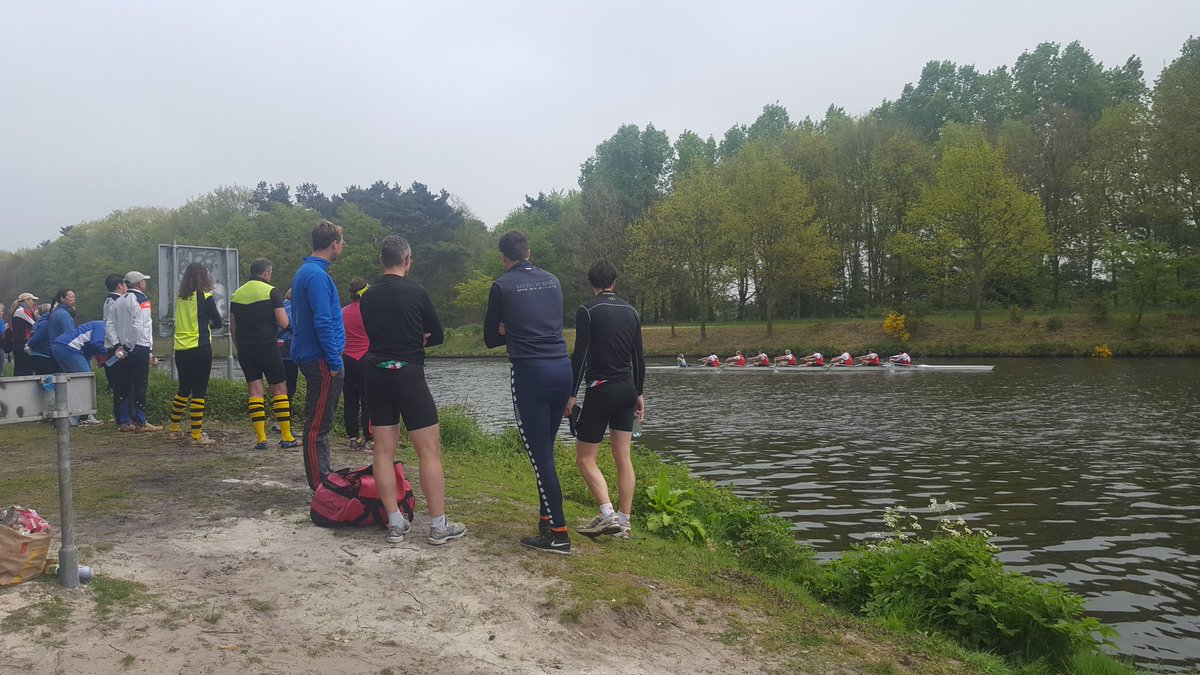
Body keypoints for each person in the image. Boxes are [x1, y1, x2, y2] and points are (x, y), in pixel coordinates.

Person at [360, 235, 466, 546]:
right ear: (408, 260)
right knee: (428, 450)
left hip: (376, 372)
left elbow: (375, 332)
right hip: (408, 373)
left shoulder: (367, 296)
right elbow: (438, 334)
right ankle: (438, 525)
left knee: (383, 450)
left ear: (381, 260)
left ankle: (395, 523)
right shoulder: (416, 292)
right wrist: (419, 338)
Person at [483, 229, 573, 555]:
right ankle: (546, 519)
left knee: (541, 455)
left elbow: (490, 339)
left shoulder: (502, 285)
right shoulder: (553, 281)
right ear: (529, 252)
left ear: (503, 258)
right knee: (545, 448)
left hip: (530, 372)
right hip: (562, 368)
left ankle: (559, 534)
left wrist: (509, 331)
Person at [565, 259, 645, 541]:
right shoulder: (631, 311)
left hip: (600, 389)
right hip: (627, 389)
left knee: (585, 458)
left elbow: (581, 355)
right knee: (623, 456)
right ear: (614, 281)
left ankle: (607, 512)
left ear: (592, 283)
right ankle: (625, 522)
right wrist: (639, 393)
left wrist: (571, 395)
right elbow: (638, 358)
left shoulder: (587, 310)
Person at [291, 220, 347, 491]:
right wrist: (335, 361)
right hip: (323, 359)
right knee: (318, 426)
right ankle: (320, 486)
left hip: (315, 356)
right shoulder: (315, 276)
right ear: (333, 244)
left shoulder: (308, 271)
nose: (342, 247)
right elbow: (323, 321)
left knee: (319, 421)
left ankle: (322, 476)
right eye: (342, 242)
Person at [230, 258, 297, 450]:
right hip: (267, 345)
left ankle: (261, 439)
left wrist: (239, 347)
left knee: (255, 391)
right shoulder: (271, 291)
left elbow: (233, 326)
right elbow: (283, 322)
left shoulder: (236, 294)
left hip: (245, 348)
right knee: (279, 389)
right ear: (266, 272)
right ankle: (286, 437)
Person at [169, 263, 224, 446]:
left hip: (181, 348)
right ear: (204, 277)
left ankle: (174, 429)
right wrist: (207, 323)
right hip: (200, 347)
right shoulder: (206, 297)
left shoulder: (180, 297)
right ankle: (196, 435)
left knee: (184, 388)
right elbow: (217, 322)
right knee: (199, 391)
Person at [110, 271, 161, 431]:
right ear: (140, 283)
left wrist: (118, 345)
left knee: (124, 384)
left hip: (121, 348)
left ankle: (125, 421)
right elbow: (142, 325)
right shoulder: (142, 301)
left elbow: (109, 325)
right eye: (144, 281)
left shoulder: (118, 301)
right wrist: (131, 346)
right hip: (139, 346)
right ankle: (140, 421)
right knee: (140, 384)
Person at [50, 320, 106, 426]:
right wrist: (108, 353)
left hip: (59, 345)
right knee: (86, 383)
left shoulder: (96, 324)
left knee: (72, 383)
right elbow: (96, 343)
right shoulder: (102, 326)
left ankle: (64, 414)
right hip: (70, 347)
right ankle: (82, 416)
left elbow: (87, 348)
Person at [341, 278, 373, 452]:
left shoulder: (342, 312)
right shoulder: (371, 311)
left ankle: (353, 438)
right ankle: (369, 439)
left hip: (346, 359)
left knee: (350, 400)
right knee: (368, 400)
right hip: (365, 358)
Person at [102, 274, 131, 427]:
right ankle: (124, 419)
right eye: (125, 284)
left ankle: (122, 417)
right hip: (117, 348)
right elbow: (114, 327)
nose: (127, 287)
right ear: (120, 286)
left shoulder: (109, 301)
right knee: (122, 383)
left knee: (118, 384)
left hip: (112, 347)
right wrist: (120, 344)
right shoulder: (116, 302)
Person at [274, 288, 299, 432]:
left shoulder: (279, 306)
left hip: (278, 352)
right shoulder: (292, 309)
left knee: (279, 387)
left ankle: (278, 421)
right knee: (289, 388)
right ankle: (284, 424)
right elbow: (295, 327)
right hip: (289, 354)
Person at [9, 293, 38, 376]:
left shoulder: (19, 309)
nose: (34, 302)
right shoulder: (22, 310)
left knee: (22, 368)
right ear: (27, 300)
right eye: (33, 300)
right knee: (23, 369)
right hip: (22, 344)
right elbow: (34, 324)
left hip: (19, 343)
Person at [25, 304, 56, 375]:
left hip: (41, 353)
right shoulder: (45, 323)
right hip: (42, 354)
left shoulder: (39, 323)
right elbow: (36, 339)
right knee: (45, 376)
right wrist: (29, 344)